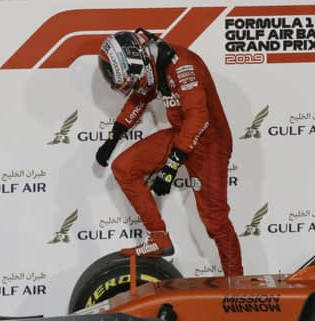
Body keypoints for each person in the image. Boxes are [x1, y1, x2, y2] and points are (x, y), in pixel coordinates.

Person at [95, 28, 243, 276]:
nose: (134, 86)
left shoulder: (183, 66)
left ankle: (236, 283)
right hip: (182, 133)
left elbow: (198, 118)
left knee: (215, 221)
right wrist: (113, 137)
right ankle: (159, 238)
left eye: (132, 80)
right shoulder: (149, 62)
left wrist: (171, 168)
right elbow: (140, 98)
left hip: (211, 142)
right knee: (124, 167)